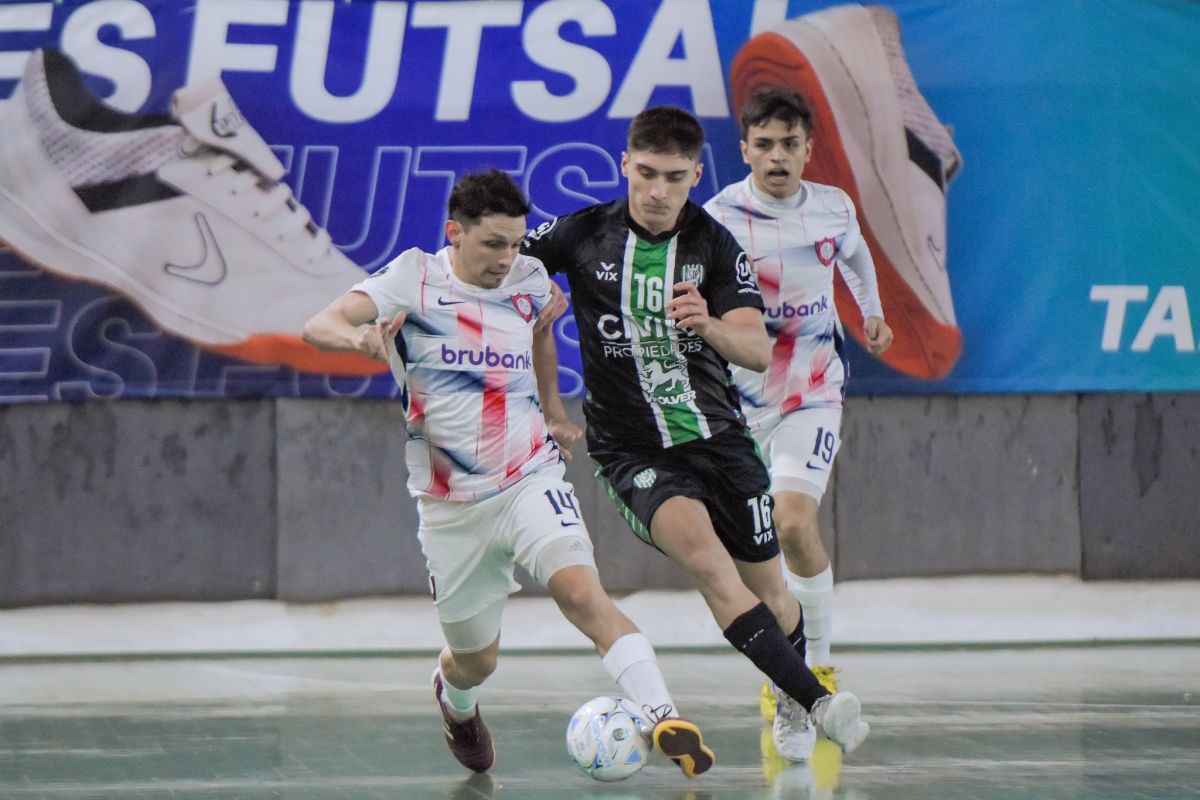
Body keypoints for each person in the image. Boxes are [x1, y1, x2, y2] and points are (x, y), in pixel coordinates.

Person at [302, 169, 714, 778]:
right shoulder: (413, 278)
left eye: (517, 243)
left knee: (581, 591)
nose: (508, 257)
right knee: (476, 661)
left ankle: (663, 713)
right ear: (455, 233)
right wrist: (361, 339)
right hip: (451, 505)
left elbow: (540, 333)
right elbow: (320, 324)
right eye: (494, 243)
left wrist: (552, 410)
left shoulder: (527, 279)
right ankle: (457, 702)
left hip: (528, 476)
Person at [521, 107, 869, 762]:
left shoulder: (714, 245)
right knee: (712, 566)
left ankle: (792, 697)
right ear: (625, 165)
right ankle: (818, 701)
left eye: (674, 178)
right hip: (634, 453)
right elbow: (500, 264)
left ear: (696, 175)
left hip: (720, 443)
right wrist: (533, 325)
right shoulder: (580, 234)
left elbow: (758, 351)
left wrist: (707, 325)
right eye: (646, 173)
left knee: (773, 592)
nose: (656, 191)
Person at [703, 86, 894, 723]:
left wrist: (871, 313)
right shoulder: (719, 217)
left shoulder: (834, 209)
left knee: (793, 522)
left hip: (812, 389)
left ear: (809, 151)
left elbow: (860, 258)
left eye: (790, 144)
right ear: (745, 151)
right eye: (765, 145)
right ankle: (787, 678)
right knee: (752, 556)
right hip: (739, 402)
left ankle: (819, 667)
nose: (778, 156)